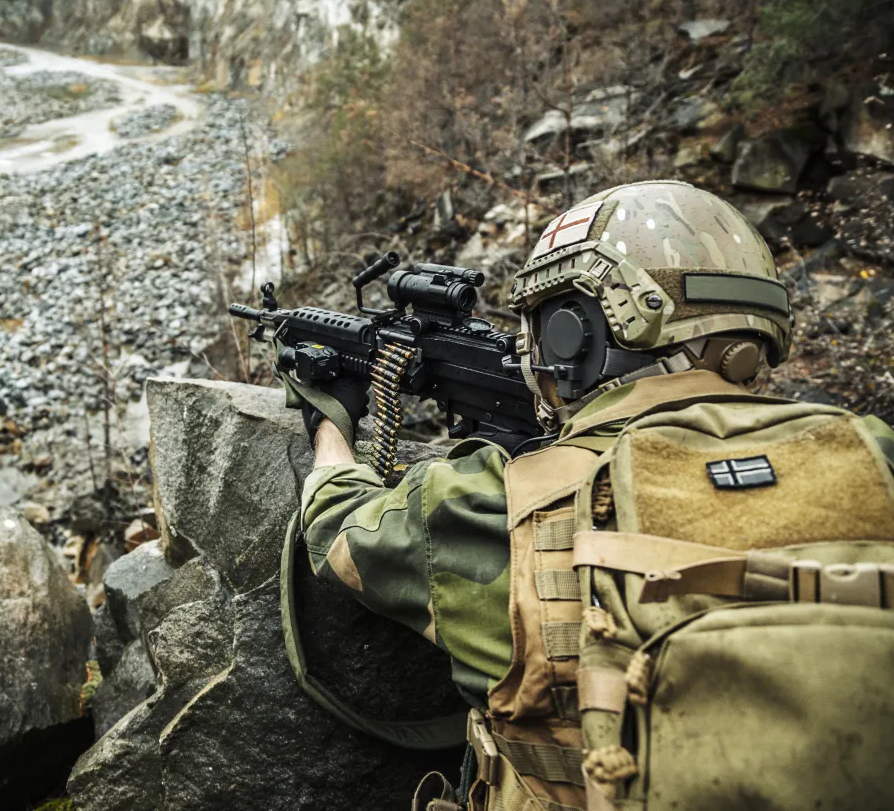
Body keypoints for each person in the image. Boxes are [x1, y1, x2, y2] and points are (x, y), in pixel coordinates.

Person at [293, 180, 894, 811]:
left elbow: (337, 527)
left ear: (571, 335)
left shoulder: (493, 501)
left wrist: (331, 422)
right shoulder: (875, 457)